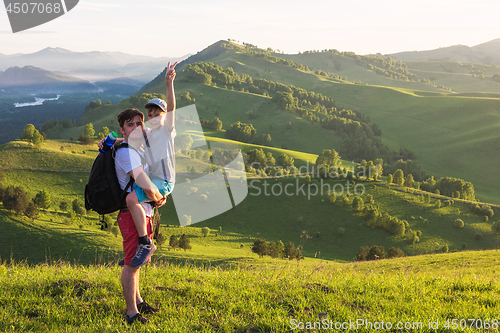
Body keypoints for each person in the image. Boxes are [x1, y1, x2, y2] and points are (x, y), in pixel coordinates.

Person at [114, 107, 166, 325]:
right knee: (131, 263)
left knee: (138, 260)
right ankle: (131, 313)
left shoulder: (133, 148)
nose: (135, 127)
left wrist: (155, 198)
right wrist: (157, 196)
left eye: (138, 123)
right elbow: (144, 183)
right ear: (122, 129)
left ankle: (138, 300)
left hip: (141, 212)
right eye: (130, 124)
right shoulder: (127, 152)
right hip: (131, 215)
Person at [124, 61, 177, 268]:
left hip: (164, 181)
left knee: (131, 199)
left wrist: (169, 83)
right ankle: (138, 248)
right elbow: (127, 138)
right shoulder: (148, 135)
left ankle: (145, 244)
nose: (153, 117)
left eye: (158, 114)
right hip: (154, 180)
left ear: (164, 116)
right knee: (130, 201)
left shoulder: (167, 131)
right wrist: (108, 141)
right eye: (151, 114)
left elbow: (171, 107)